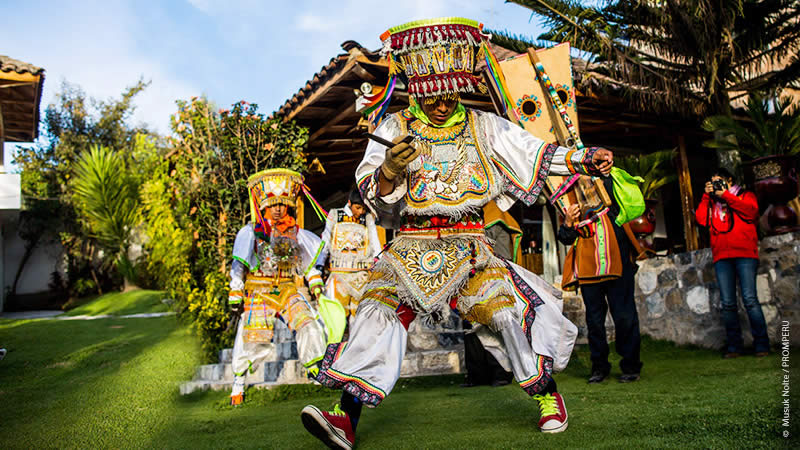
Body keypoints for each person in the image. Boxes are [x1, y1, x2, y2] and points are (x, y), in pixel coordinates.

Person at [300, 17, 615, 449]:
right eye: (433, 94)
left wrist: (583, 159)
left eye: (450, 93)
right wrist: (391, 168)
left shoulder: (484, 126)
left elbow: (534, 152)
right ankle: (345, 418)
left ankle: (546, 396)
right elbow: (372, 185)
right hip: (409, 249)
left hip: (470, 249)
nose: (443, 103)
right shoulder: (393, 128)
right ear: (418, 89)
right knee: (377, 313)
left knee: (505, 315)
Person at [227, 169, 327, 406]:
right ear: (263, 206)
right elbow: (238, 265)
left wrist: (316, 284)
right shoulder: (252, 231)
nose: (278, 209)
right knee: (250, 336)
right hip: (259, 290)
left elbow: (307, 262)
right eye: (273, 205)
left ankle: (315, 370)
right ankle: (238, 382)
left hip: (287, 289)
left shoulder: (297, 232)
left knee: (308, 323)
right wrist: (236, 290)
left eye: (282, 204)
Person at [557, 175, 643, 384]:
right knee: (594, 322)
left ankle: (630, 366)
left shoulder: (610, 184)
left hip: (618, 262)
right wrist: (568, 222)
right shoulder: (568, 197)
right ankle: (599, 368)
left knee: (624, 317)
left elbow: (628, 203)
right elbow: (565, 238)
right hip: (589, 268)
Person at [695, 168, 768, 358]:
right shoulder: (710, 203)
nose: (717, 185)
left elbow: (751, 213)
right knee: (727, 303)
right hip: (722, 256)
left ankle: (762, 345)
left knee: (750, 300)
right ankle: (735, 347)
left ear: (729, 180)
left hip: (745, 254)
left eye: (719, 181)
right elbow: (701, 220)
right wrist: (705, 196)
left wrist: (726, 195)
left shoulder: (745, 196)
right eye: (713, 182)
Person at [319, 189, 382, 326]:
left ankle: (359, 346)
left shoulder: (368, 218)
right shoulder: (335, 215)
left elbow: (375, 242)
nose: (360, 212)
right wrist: (319, 265)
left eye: (363, 208)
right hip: (338, 275)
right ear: (349, 203)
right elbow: (326, 239)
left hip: (361, 276)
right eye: (358, 208)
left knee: (361, 318)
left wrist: (379, 262)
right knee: (336, 318)